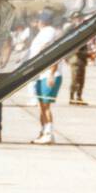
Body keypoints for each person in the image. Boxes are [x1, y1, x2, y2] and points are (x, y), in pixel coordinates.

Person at [29, 11, 62, 144]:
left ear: (42, 21)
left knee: (45, 106)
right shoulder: (43, 32)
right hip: (41, 75)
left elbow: (51, 53)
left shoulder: (49, 31)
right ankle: (43, 131)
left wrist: (52, 74)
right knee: (41, 106)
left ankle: (49, 134)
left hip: (49, 74)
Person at [68, 37, 90, 105]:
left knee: (81, 81)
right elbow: (77, 51)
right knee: (75, 81)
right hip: (77, 62)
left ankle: (78, 97)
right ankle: (72, 98)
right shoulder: (77, 40)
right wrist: (88, 54)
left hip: (81, 62)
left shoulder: (83, 39)